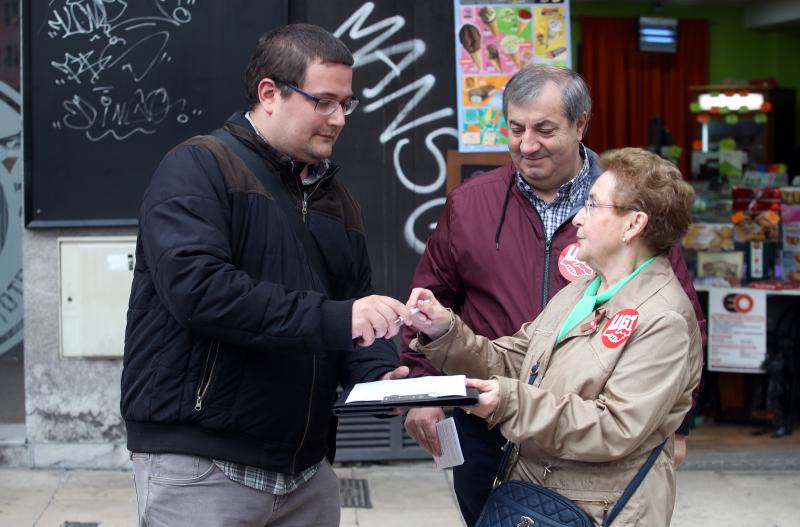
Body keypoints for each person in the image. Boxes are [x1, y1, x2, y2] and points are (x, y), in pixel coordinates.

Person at [120, 24, 413, 527]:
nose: (339, 118)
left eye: (346, 103)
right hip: (203, 467)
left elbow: (351, 305)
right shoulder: (197, 167)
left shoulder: (334, 197)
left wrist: (383, 375)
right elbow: (200, 292)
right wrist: (340, 318)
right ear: (270, 93)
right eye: (323, 101)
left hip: (306, 473)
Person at [400, 65, 706, 526]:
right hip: (516, 455)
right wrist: (444, 334)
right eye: (516, 129)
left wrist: (676, 422)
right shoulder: (585, 289)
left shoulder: (659, 312)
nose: (526, 144)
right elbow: (516, 356)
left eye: (544, 129)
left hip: (595, 490)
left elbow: (619, 422)